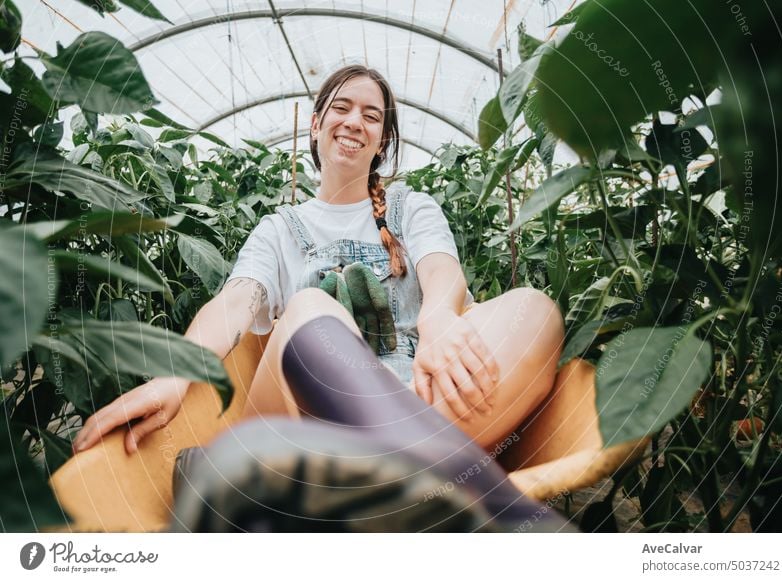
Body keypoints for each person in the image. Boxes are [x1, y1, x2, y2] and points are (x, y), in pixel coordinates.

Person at [72, 64, 568, 532]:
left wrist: (438, 315)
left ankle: (308, 485)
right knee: (311, 306)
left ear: (382, 142)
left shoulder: (410, 207)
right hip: (301, 424)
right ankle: (503, 517)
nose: (355, 121)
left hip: (423, 407)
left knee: (535, 311)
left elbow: (442, 268)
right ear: (315, 125)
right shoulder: (280, 229)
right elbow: (235, 302)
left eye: (372, 116)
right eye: (342, 108)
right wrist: (174, 374)